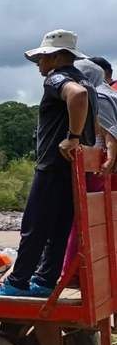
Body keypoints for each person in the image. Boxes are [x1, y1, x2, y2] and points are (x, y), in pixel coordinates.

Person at [0, 29, 99, 297]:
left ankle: (18, 282)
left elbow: (77, 97)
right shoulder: (90, 83)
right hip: (74, 170)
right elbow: (93, 120)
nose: (39, 63)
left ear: (58, 57)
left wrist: (71, 137)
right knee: (59, 228)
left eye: (43, 57)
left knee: (34, 226)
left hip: (52, 166)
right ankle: (45, 281)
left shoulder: (57, 78)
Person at [60, 59, 117, 281]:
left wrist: (109, 158)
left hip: (92, 166)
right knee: (93, 221)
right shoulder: (110, 94)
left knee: (80, 220)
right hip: (99, 167)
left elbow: (109, 133)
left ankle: (71, 273)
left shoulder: (97, 96)